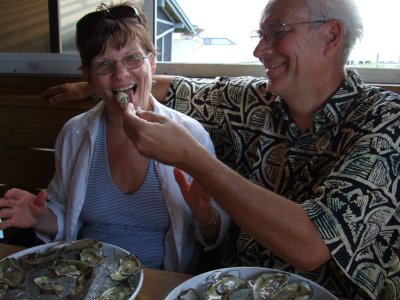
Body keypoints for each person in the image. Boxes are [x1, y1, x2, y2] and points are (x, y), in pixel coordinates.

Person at [39, 0, 400, 299]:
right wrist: (90, 85)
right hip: (228, 289)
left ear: (331, 36)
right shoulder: (251, 101)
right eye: (261, 35)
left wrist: (192, 158)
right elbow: (166, 84)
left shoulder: (385, 123)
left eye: (278, 31)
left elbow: (313, 246)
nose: (259, 49)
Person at [0, 1, 229, 275]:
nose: (121, 75)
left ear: (152, 62)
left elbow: (213, 238)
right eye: (104, 65)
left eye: (132, 58)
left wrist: (207, 216)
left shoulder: (190, 135)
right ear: (89, 78)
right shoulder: (74, 134)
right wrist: (40, 217)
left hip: (160, 280)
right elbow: (63, 216)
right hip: (85, 276)